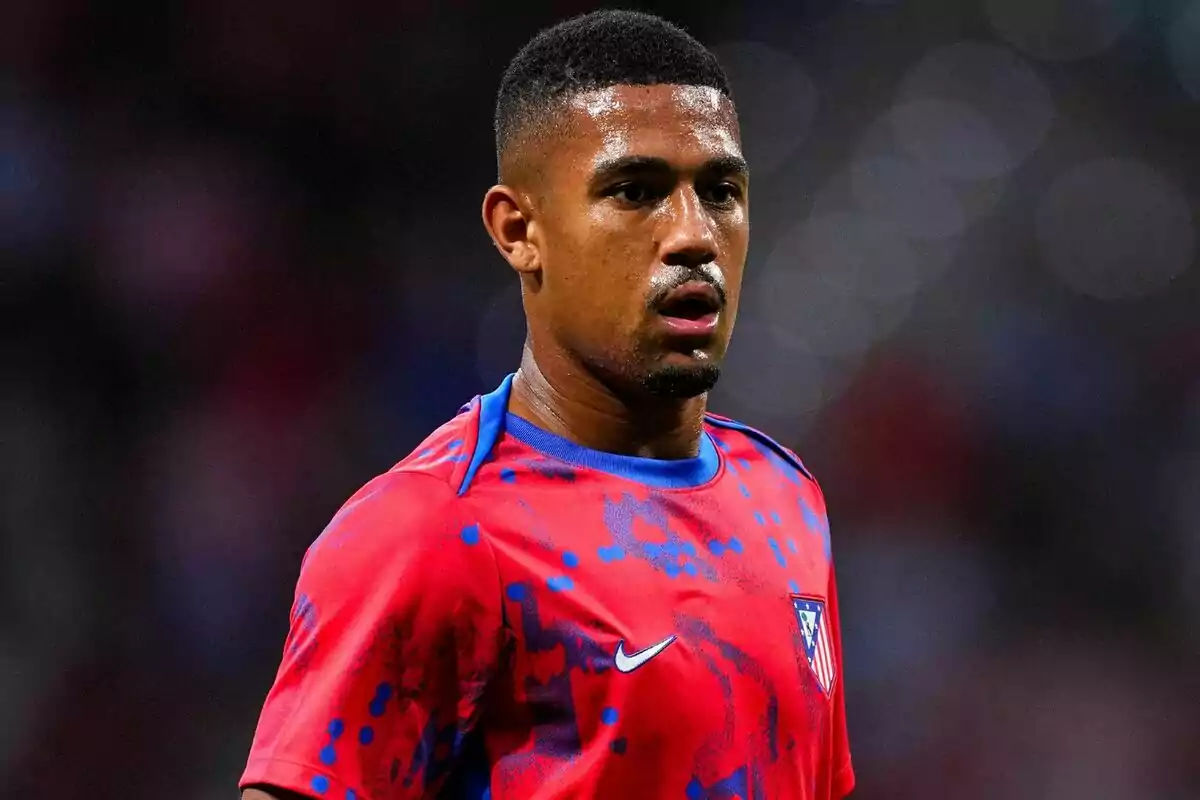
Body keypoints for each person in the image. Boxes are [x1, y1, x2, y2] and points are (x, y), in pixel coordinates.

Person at [240, 9, 854, 800]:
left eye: (721, 191)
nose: (695, 235)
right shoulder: (433, 532)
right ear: (519, 228)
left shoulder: (786, 496)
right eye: (636, 191)